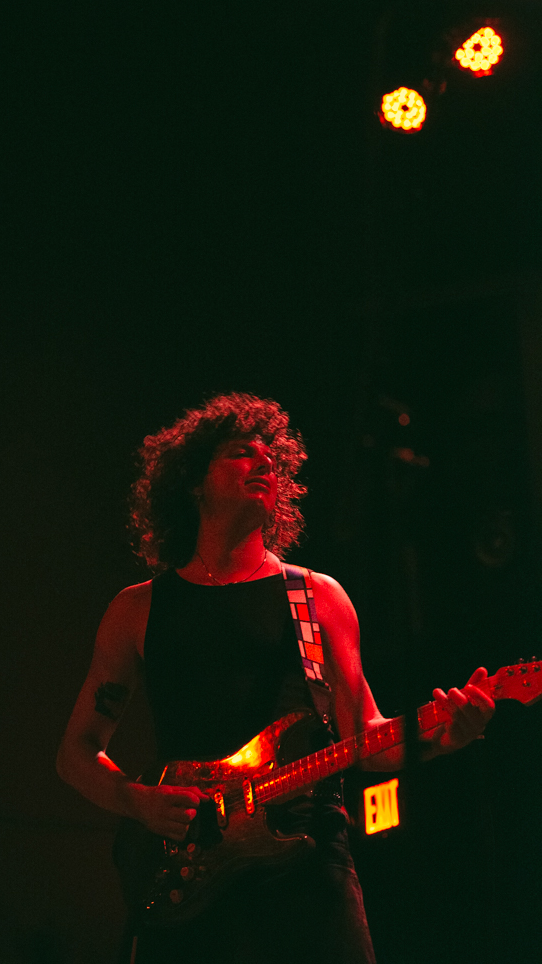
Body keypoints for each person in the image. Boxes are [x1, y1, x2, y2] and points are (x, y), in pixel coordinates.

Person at [56, 392, 494, 964]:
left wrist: (446, 737)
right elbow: (76, 753)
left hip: (307, 866)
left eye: (271, 458)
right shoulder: (137, 610)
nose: (264, 463)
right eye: (242, 452)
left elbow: (366, 736)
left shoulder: (317, 597)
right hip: (189, 867)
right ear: (194, 480)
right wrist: (137, 802)